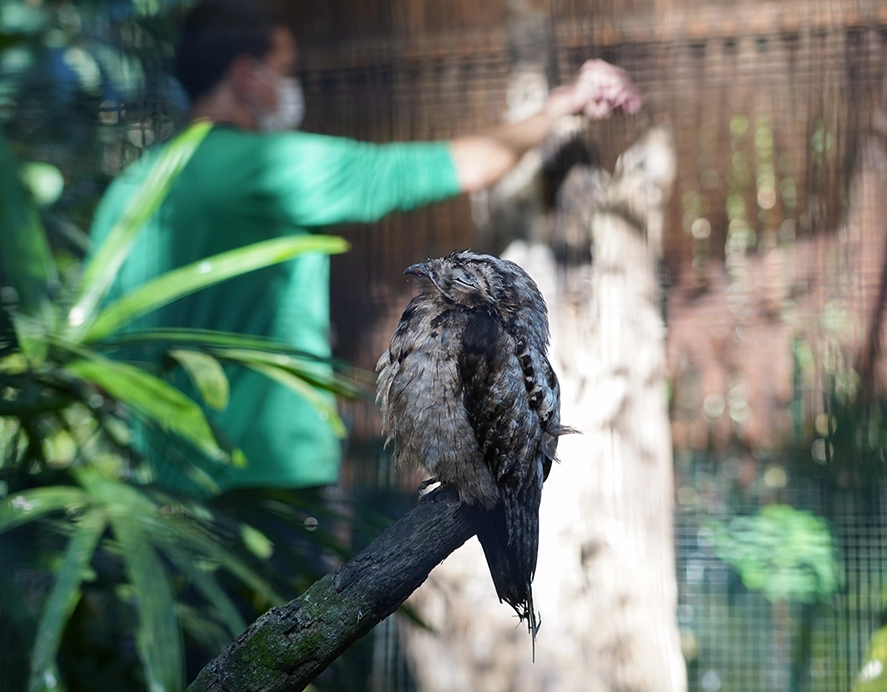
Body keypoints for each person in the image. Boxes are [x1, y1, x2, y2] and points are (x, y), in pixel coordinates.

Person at [88, 0, 641, 498]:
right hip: (276, 479)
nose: (292, 87)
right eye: (286, 71)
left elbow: (99, 360)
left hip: (167, 489)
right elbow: (458, 166)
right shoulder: (273, 166)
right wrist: (559, 107)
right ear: (246, 77)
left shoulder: (128, 194)